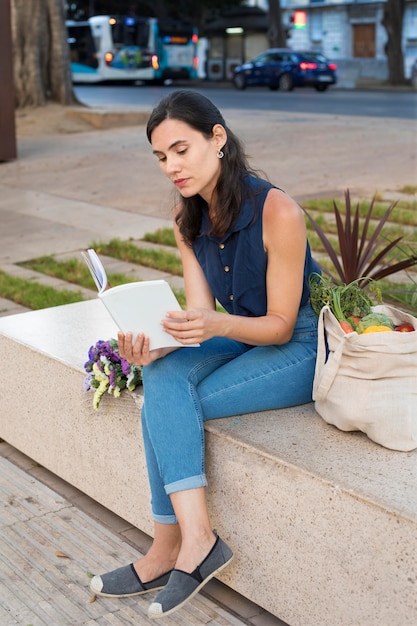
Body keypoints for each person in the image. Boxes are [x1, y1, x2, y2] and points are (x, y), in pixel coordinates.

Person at [90, 90, 321, 619]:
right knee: (164, 373)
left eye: (180, 150)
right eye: (161, 157)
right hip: (241, 332)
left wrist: (214, 323)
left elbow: (282, 326)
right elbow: (198, 315)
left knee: (166, 406)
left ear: (217, 139)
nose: (172, 167)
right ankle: (188, 542)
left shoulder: (278, 211)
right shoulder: (185, 220)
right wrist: (152, 345)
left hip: (298, 346)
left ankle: (172, 549)